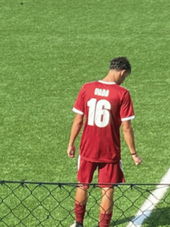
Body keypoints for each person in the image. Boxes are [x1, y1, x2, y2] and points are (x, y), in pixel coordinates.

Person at [67, 57, 141, 227]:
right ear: (122, 72)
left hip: (87, 148)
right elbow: (126, 128)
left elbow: (78, 120)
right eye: (125, 76)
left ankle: (78, 223)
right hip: (109, 150)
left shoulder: (87, 87)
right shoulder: (122, 93)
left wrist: (71, 143)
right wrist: (133, 154)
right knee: (107, 189)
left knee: (82, 184)